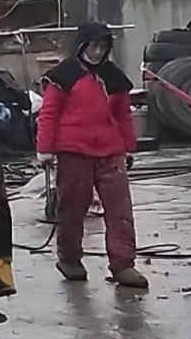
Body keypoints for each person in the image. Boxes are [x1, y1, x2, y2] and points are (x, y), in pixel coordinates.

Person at [35, 23, 148, 289]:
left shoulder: (114, 78)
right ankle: (70, 258)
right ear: (81, 46)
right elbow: (49, 114)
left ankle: (123, 265)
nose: (97, 52)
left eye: (102, 47)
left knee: (120, 210)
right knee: (73, 209)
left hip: (110, 150)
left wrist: (128, 147)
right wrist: (45, 149)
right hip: (73, 150)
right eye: (92, 46)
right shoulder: (62, 76)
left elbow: (123, 115)